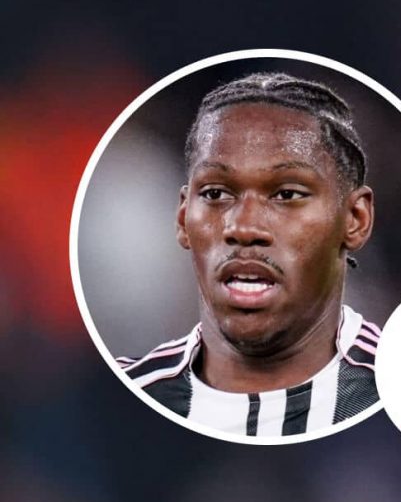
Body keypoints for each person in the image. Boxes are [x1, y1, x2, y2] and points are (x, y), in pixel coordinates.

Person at [117, 72, 381, 438]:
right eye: (215, 194)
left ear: (355, 220)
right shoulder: (130, 393)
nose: (244, 227)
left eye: (286, 194)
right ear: (182, 218)